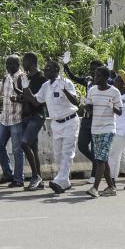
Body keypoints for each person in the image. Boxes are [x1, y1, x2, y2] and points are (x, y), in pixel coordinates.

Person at [33, 61, 80, 195]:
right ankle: (65, 182)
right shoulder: (46, 86)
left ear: (56, 70)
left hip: (70, 121)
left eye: (49, 69)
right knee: (58, 154)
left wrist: (64, 89)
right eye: (45, 69)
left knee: (67, 153)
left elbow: (76, 101)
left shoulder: (66, 82)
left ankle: (59, 180)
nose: (46, 71)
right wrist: (24, 89)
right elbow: (36, 101)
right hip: (56, 123)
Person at [83, 67, 123, 197]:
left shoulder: (115, 92)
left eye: (99, 76)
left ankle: (95, 188)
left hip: (108, 129)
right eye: (95, 75)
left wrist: (112, 106)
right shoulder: (92, 90)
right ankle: (111, 187)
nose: (96, 78)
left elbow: (120, 111)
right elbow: (89, 108)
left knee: (100, 159)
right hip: (95, 129)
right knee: (103, 159)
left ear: (106, 78)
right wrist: (84, 105)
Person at [65, 59, 106, 183]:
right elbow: (74, 77)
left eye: (95, 69)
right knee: (82, 145)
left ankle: (94, 175)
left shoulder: (103, 83)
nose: (92, 71)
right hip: (87, 118)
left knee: (95, 148)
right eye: (91, 69)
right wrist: (66, 65)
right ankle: (97, 163)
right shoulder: (88, 80)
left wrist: (111, 70)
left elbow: (112, 81)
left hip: (98, 118)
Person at [0, 55, 26, 187]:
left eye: (11, 64)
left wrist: (17, 99)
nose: (8, 67)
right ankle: (7, 174)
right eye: (7, 64)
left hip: (17, 118)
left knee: (17, 150)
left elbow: (27, 97)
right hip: (4, 119)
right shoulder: (6, 77)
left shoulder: (22, 77)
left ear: (18, 64)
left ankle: (18, 179)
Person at [15, 53, 48, 191]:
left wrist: (25, 95)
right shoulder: (25, 77)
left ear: (30, 61)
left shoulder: (42, 78)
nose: (23, 64)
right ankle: (39, 181)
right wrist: (18, 98)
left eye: (24, 61)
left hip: (37, 115)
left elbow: (38, 99)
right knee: (33, 148)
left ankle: (35, 177)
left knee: (24, 143)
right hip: (26, 115)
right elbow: (26, 96)